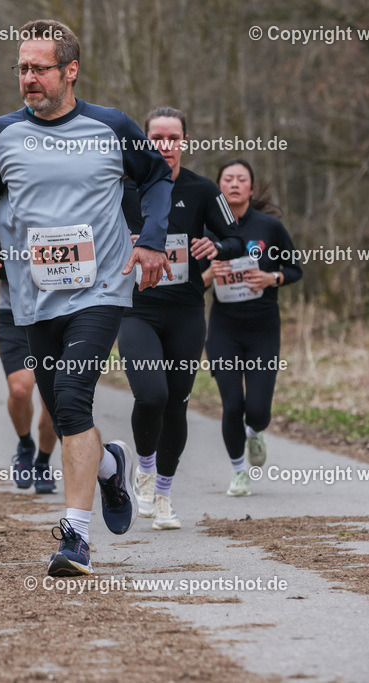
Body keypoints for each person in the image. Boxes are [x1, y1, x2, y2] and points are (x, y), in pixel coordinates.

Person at [0, 19, 173, 576]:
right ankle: (108, 467)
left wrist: (151, 242)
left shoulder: (111, 127)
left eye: (39, 68)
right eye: (22, 69)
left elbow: (155, 181)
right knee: (60, 408)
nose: (28, 78)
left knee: (74, 400)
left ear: (70, 71)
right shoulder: (3, 133)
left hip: (101, 287)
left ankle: (75, 538)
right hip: (33, 296)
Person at [118, 108, 244, 530]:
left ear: (185, 142)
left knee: (177, 404)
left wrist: (216, 247)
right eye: (157, 137)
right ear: (144, 142)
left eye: (173, 138)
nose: (165, 146)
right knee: (151, 395)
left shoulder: (203, 189)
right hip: (137, 310)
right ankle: (145, 467)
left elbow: (235, 238)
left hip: (187, 313)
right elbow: (92, 235)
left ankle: (165, 495)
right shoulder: (123, 188)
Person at [203, 159, 302, 496]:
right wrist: (207, 275)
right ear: (219, 186)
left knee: (257, 411)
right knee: (232, 405)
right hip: (223, 328)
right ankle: (238, 472)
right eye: (227, 179)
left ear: (251, 188)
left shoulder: (269, 227)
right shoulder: (207, 228)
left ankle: (254, 432)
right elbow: (191, 281)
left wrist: (272, 277)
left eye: (241, 179)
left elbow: (295, 269)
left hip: (262, 327)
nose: (234, 184)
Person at [0, 265, 59, 493]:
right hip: (13, 316)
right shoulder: (2, 227)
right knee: (20, 390)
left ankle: (42, 463)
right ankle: (25, 446)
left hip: (57, 313)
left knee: (54, 400)